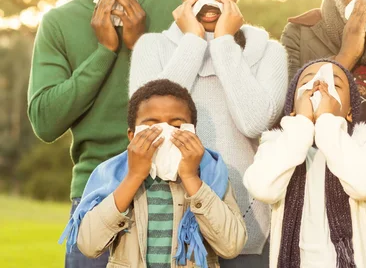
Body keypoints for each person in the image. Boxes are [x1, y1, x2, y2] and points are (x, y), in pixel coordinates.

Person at [27, 0, 182, 267]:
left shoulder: (175, 0)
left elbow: (198, 94)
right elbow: (45, 122)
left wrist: (141, 44)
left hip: (175, 187)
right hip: (96, 191)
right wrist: (104, 52)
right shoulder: (58, 23)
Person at [129, 0, 288, 267]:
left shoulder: (268, 51)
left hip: (247, 228)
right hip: (170, 227)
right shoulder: (151, 47)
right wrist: (193, 42)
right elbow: (151, 121)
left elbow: (254, 121)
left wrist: (224, 45)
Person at [64, 79, 247, 267]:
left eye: (176, 126)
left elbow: (231, 246)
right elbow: (88, 244)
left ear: (192, 132)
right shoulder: (113, 176)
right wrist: (134, 176)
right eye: (152, 126)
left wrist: (191, 177)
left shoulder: (211, 175)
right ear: (132, 136)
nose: (164, 132)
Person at [244, 59, 366, 268]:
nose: (320, 86)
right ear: (293, 108)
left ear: (349, 112)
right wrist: (303, 124)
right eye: (308, 83)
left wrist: (327, 123)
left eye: (334, 85)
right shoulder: (276, 145)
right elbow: (262, 188)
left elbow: (365, 185)